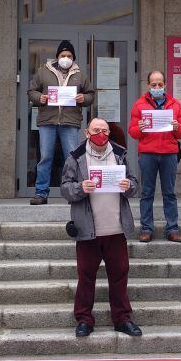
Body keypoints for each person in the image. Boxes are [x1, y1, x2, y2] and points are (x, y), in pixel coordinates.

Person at [60, 117, 143, 338]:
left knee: (119, 275)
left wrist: (129, 186)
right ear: (87, 132)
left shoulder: (120, 154)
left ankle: (123, 318)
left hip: (116, 228)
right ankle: (84, 319)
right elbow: (65, 188)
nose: (101, 134)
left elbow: (135, 183)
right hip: (88, 229)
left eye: (105, 130)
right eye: (96, 130)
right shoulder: (75, 157)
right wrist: (80, 187)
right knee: (86, 276)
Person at [27, 40, 95, 205]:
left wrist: (83, 98)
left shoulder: (80, 75)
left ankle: (73, 193)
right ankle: (41, 193)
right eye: (63, 55)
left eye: (69, 56)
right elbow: (31, 91)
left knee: (71, 158)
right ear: (57, 57)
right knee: (45, 157)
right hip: (47, 121)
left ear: (73, 58)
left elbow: (91, 95)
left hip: (70, 122)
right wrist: (40, 98)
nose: (66, 58)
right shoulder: (43, 71)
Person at [127, 70, 181, 243]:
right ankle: (146, 228)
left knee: (169, 193)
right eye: (153, 84)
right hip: (147, 153)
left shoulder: (175, 104)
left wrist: (177, 127)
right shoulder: (139, 105)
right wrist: (140, 127)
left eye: (160, 84)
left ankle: (173, 228)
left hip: (169, 153)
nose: (157, 87)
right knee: (147, 192)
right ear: (148, 86)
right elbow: (132, 132)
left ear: (165, 85)